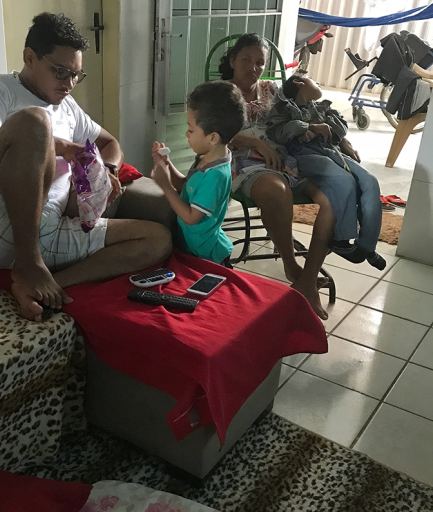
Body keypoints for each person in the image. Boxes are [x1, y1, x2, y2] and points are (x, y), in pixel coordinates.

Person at [0, 12, 172, 322]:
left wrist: (108, 171)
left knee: (158, 238)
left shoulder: (68, 108)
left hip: (51, 232)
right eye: (60, 71)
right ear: (30, 57)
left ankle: (41, 285)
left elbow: (110, 143)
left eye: (75, 74)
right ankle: (28, 264)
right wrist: (64, 146)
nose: (69, 84)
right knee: (34, 121)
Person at [221, 33, 338, 320]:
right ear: (233, 60)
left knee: (335, 198)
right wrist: (257, 143)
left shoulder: (274, 89)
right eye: (246, 60)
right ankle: (291, 265)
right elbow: (215, 133)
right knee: (277, 191)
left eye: (260, 62)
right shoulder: (220, 93)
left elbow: (309, 103)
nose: (253, 67)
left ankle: (307, 276)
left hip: (289, 159)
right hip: (243, 160)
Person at [266, 74, 386, 270]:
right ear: (299, 83)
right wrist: (308, 126)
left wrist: (327, 128)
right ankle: (341, 239)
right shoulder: (283, 108)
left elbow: (340, 129)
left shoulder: (324, 108)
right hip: (302, 154)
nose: (319, 82)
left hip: (329, 150)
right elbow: (277, 131)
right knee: (343, 180)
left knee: (369, 181)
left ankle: (366, 245)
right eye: (314, 80)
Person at [150, 81, 245, 265]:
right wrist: (166, 164)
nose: (186, 134)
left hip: (207, 255)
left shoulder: (216, 175)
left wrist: (165, 186)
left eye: (191, 129)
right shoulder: (208, 158)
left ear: (213, 137)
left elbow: (191, 217)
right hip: (194, 247)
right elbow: (188, 187)